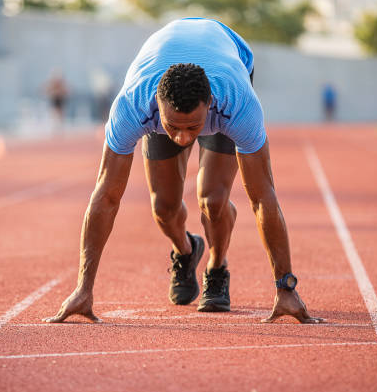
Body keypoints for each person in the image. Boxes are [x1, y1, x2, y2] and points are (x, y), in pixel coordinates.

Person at [43, 18, 324, 324]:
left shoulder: (238, 103)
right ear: (157, 108)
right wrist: (84, 288)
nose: (183, 138)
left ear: (210, 104)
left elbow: (262, 198)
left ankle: (216, 267)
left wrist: (285, 286)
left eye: (193, 127)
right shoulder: (132, 106)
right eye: (172, 127)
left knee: (213, 200)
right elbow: (107, 194)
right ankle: (186, 250)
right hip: (160, 64)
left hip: (229, 54)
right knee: (163, 207)